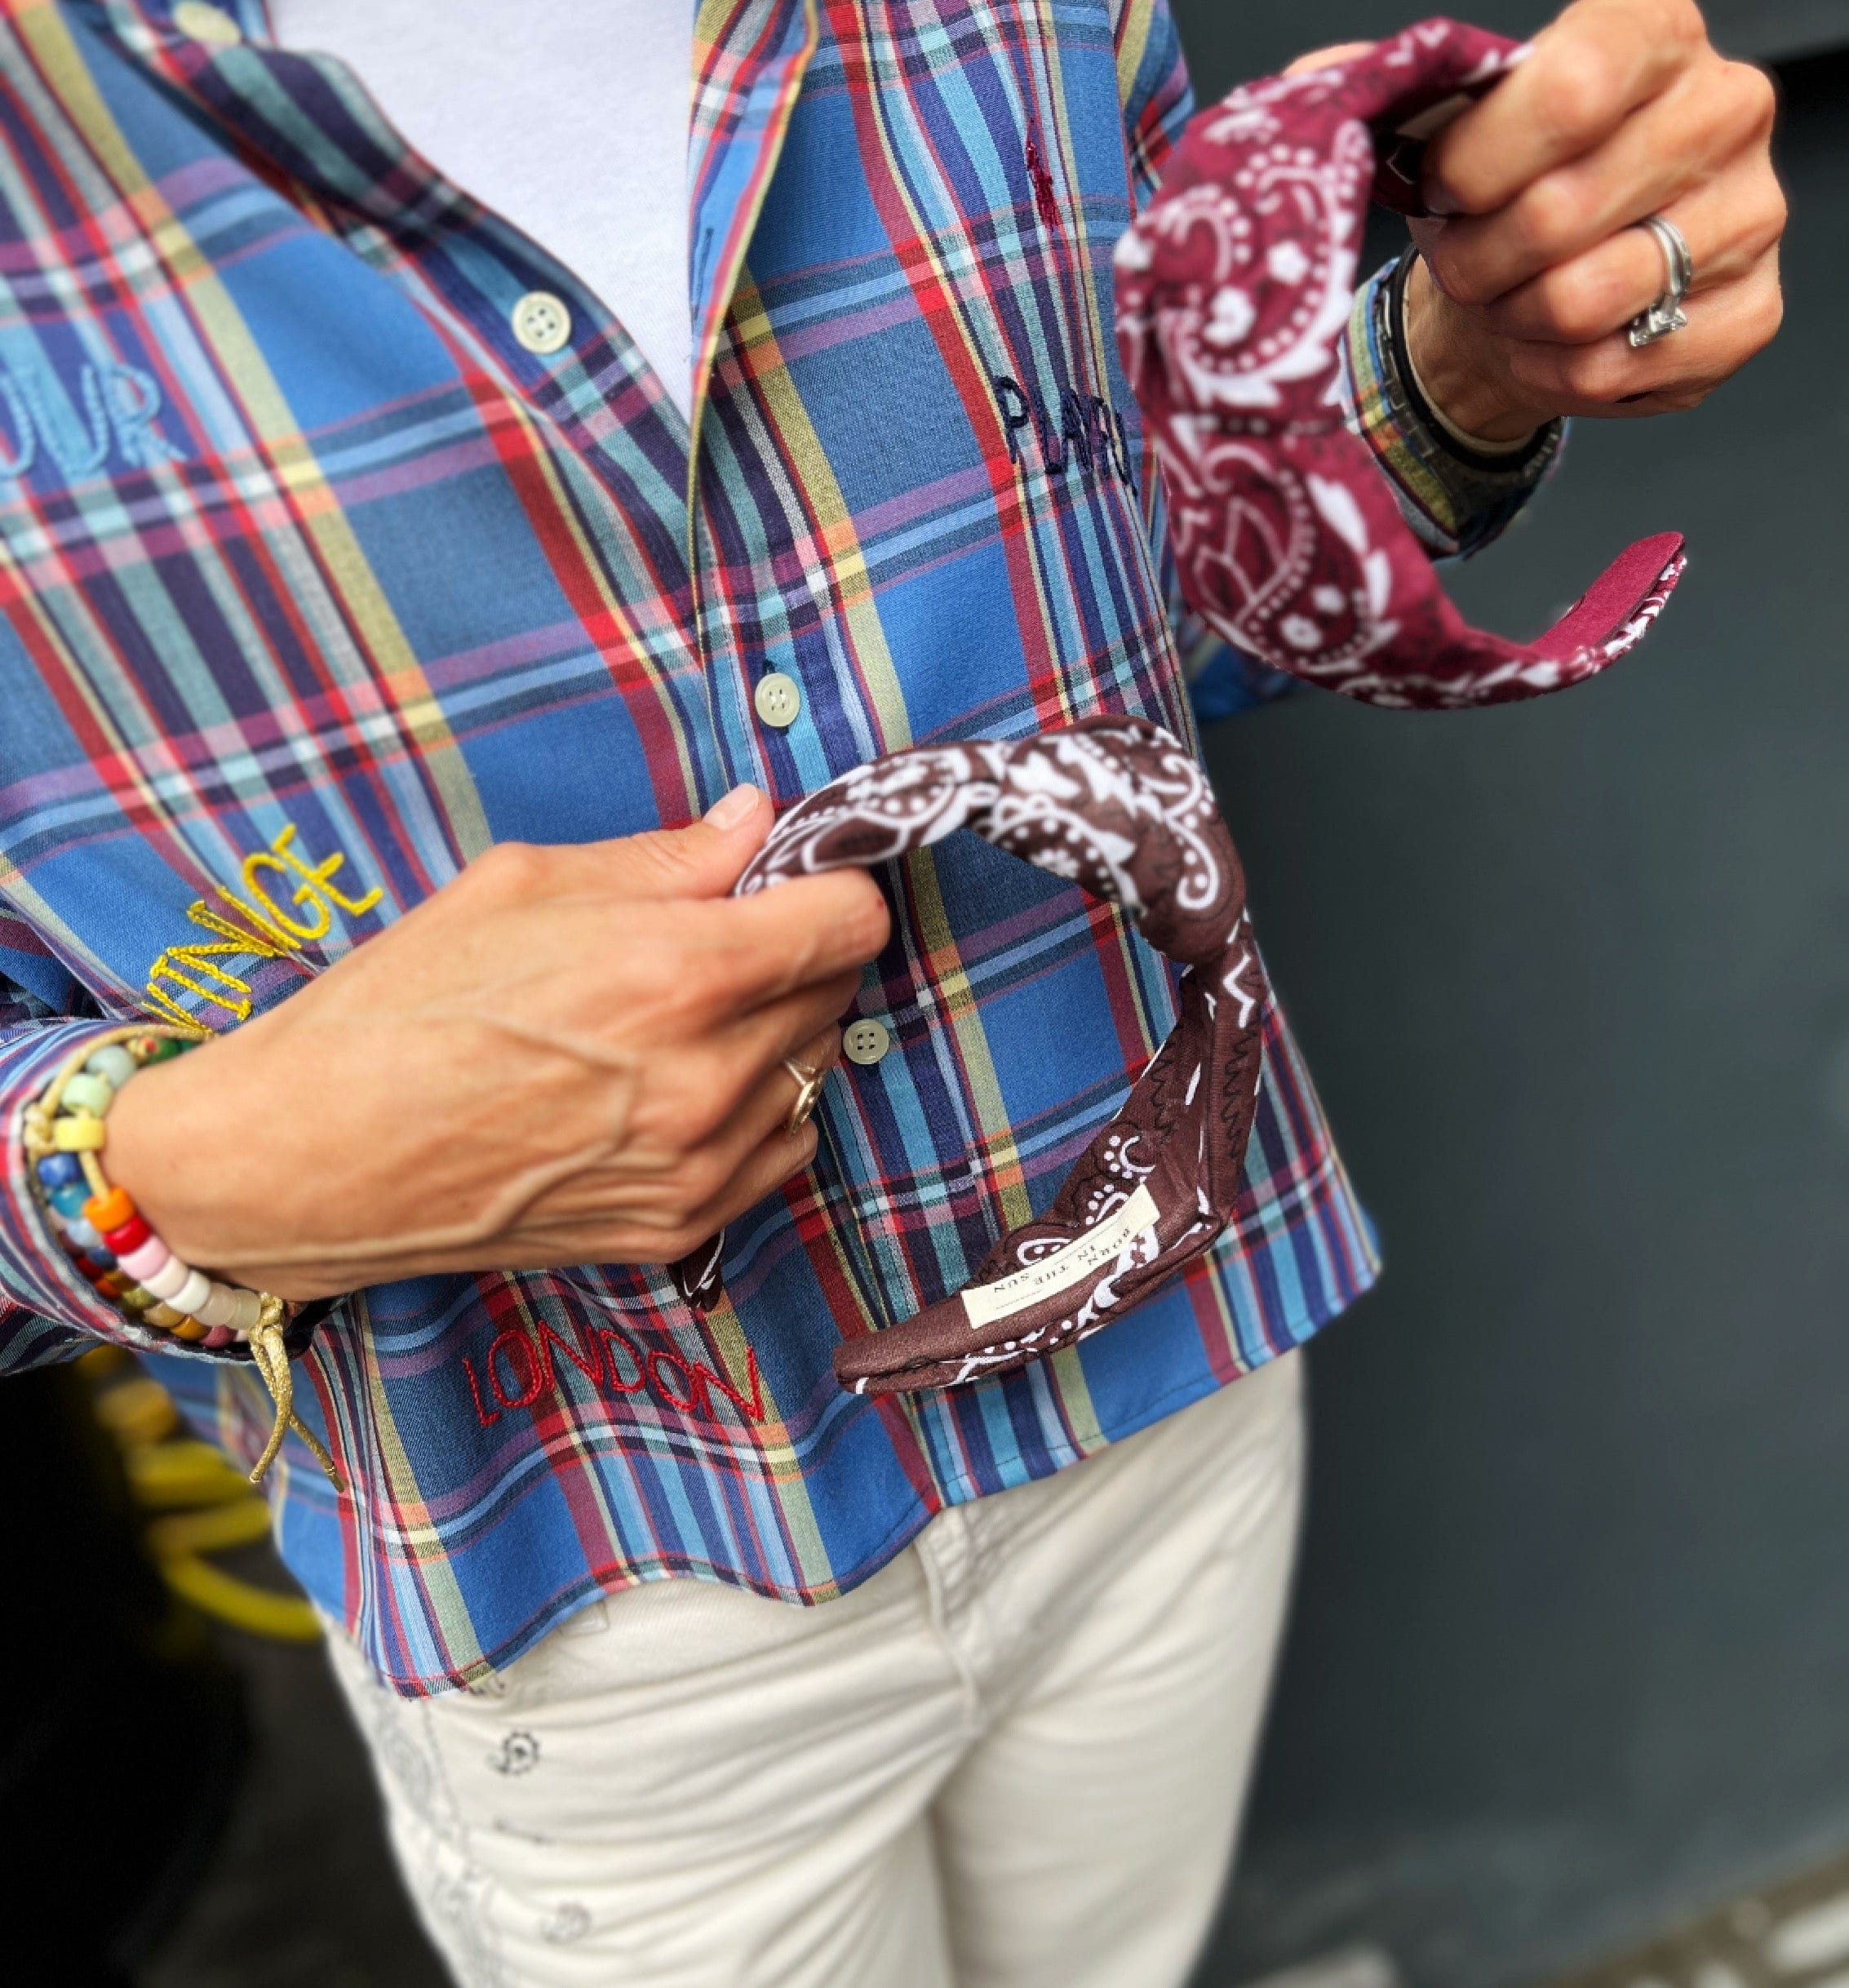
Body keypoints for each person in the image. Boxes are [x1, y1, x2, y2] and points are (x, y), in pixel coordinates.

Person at [0, 1, 1782, 1982]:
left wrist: (1455, 364)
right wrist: (219, 1162)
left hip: (1171, 1358)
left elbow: (1136, 588)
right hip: (598, 1570)